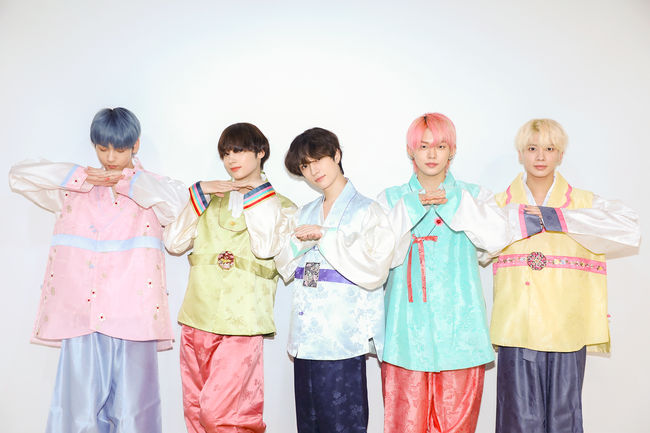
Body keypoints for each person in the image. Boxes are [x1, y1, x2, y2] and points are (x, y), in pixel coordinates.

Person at [9, 107, 187, 433]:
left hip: (134, 318)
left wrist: (130, 181)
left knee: (134, 413)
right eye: (103, 148)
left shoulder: (151, 188)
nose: (110, 158)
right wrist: (79, 176)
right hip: (82, 316)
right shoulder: (74, 189)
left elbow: (178, 206)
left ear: (135, 145)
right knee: (77, 412)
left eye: (119, 149)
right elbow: (19, 174)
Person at [241, 127, 398, 433]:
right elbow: (286, 264)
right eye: (305, 166)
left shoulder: (368, 211)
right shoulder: (305, 212)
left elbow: (376, 269)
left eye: (319, 159)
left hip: (342, 336)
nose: (314, 171)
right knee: (309, 423)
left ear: (336, 155)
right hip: (306, 337)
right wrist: (302, 242)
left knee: (343, 423)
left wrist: (325, 236)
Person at [491, 118, 640, 433]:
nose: (540, 156)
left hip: (566, 326)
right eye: (532, 148)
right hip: (517, 326)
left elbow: (629, 227)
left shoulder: (583, 203)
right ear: (520, 153)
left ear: (560, 154)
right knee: (518, 419)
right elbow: (478, 247)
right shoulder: (500, 205)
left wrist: (559, 218)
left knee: (563, 419)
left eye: (549, 149)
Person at [378, 113, 514, 433]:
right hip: (405, 329)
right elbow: (376, 256)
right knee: (405, 424)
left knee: (457, 424)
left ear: (452, 150)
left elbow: (498, 239)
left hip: (460, 328)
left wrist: (455, 203)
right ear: (410, 150)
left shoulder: (473, 195)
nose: (432, 154)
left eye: (440, 146)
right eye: (423, 146)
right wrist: (412, 207)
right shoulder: (391, 199)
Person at [164, 123, 293, 433]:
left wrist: (257, 195)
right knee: (195, 411)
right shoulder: (209, 200)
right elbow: (173, 243)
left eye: (239, 150)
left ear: (261, 152)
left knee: (226, 415)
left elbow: (266, 248)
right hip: (197, 318)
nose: (231, 159)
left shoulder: (282, 206)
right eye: (225, 153)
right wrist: (199, 192)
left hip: (243, 323)